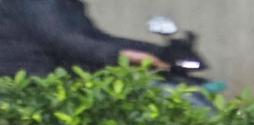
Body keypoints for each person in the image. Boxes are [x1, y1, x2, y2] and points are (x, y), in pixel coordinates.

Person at [0, 0, 170, 77]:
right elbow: (65, 40)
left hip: (50, 81)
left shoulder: (67, 4)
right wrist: (119, 55)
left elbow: (93, 37)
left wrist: (159, 51)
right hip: (28, 88)